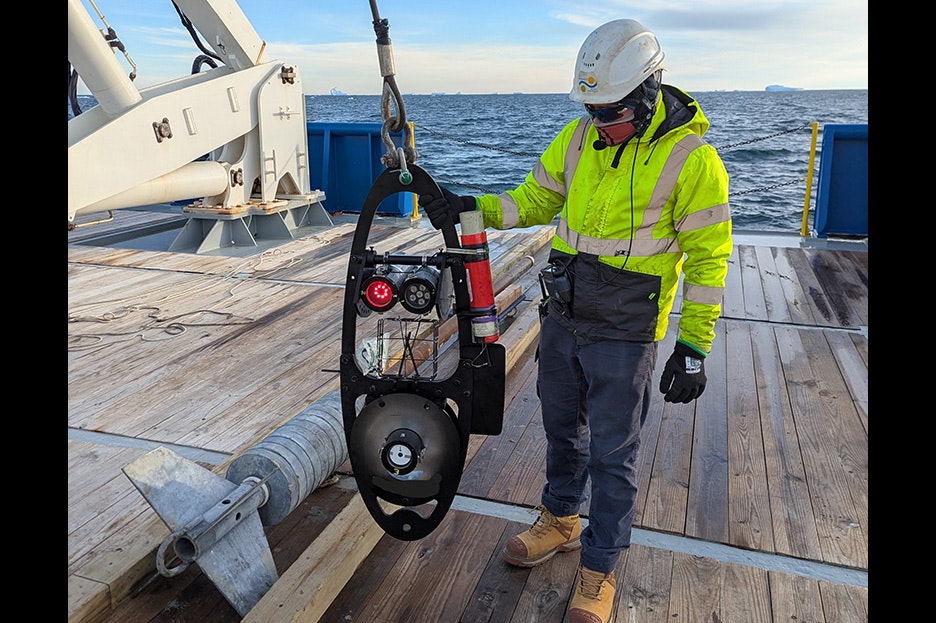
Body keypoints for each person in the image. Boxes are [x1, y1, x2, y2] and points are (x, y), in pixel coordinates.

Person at [419, 18, 731, 623]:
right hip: (565, 311)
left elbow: (710, 261)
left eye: (609, 111)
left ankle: (600, 567)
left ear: (647, 95)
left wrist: (693, 346)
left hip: (626, 327)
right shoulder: (580, 135)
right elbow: (532, 200)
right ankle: (559, 520)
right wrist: (469, 206)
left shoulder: (695, 160)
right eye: (591, 109)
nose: (599, 122)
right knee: (563, 429)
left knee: (615, 453)